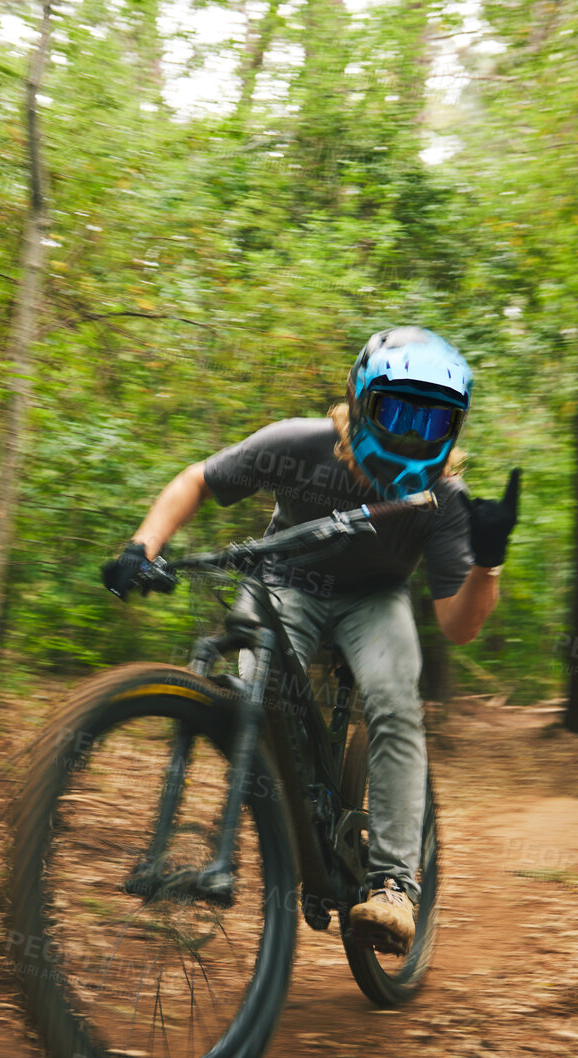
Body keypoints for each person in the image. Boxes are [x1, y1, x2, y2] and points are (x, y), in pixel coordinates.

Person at [101, 326, 519, 954]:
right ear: (360, 400)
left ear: (454, 431)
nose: (411, 434)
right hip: (284, 578)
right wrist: (142, 546)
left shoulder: (444, 500)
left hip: (375, 598)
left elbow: (461, 626)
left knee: (394, 701)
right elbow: (198, 481)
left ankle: (394, 886)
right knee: (251, 696)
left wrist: (488, 561)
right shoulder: (297, 444)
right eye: (398, 412)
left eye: (433, 423)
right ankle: (289, 825)